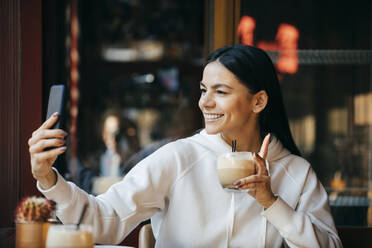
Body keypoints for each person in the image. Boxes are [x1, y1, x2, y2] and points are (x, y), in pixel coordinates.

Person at [28, 45, 342, 247]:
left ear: (258, 101)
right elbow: (103, 221)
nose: (204, 102)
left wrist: (272, 203)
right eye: (204, 89)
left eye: (220, 91)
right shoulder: (178, 158)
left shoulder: (296, 173)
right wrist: (48, 180)